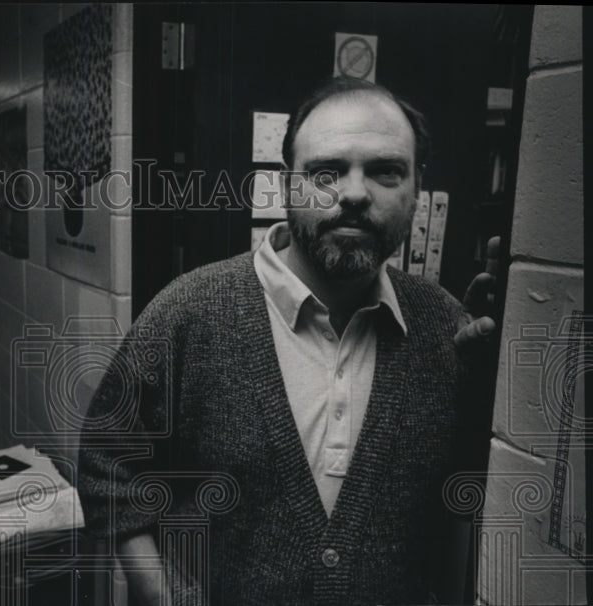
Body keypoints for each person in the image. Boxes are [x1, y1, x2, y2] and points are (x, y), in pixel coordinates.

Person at [77, 77, 499, 605]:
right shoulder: (189, 312)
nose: (353, 193)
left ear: (416, 189)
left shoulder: (446, 329)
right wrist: (161, 595)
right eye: (326, 171)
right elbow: (107, 464)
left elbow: (471, 492)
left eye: (386, 171)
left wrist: (500, 397)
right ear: (285, 186)